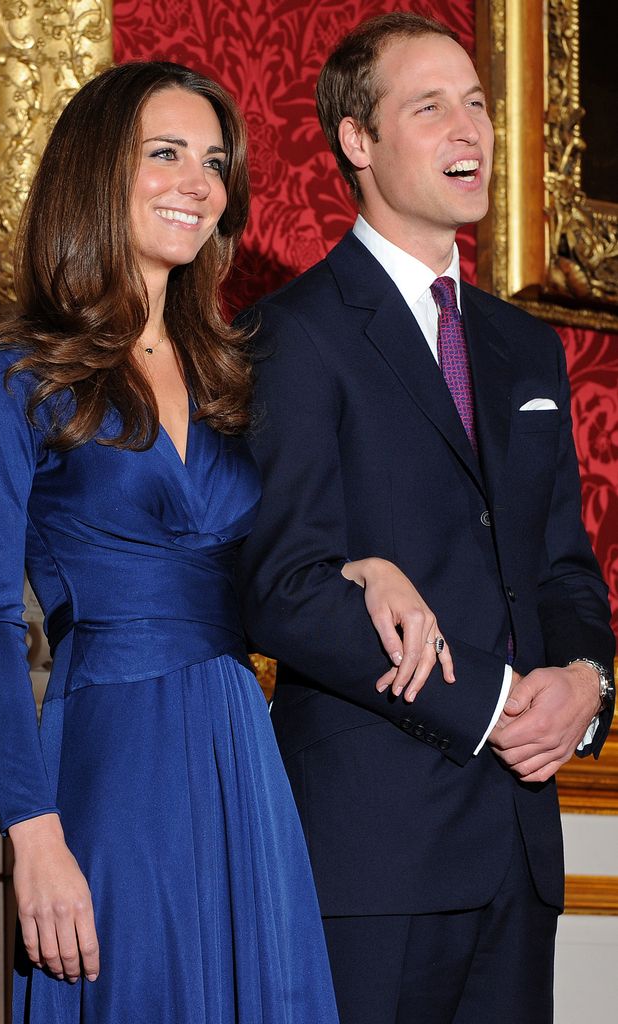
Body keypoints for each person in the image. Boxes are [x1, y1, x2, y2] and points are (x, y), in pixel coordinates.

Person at [0, 60, 359, 1024]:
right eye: (164, 154)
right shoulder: (10, 372)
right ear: (96, 171)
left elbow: (274, 566)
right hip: (110, 754)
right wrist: (34, 836)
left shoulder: (232, 376)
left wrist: (363, 568)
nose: (198, 183)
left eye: (213, 162)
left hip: (240, 747)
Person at [236, 13, 616, 1024]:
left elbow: (562, 568)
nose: (471, 130)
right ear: (356, 142)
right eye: (431, 106)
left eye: (480, 104)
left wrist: (586, 683)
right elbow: (284, 586)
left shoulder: (523, 347)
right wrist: (492, 706)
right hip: (375, 854)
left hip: (520, 847)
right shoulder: (289, 334)